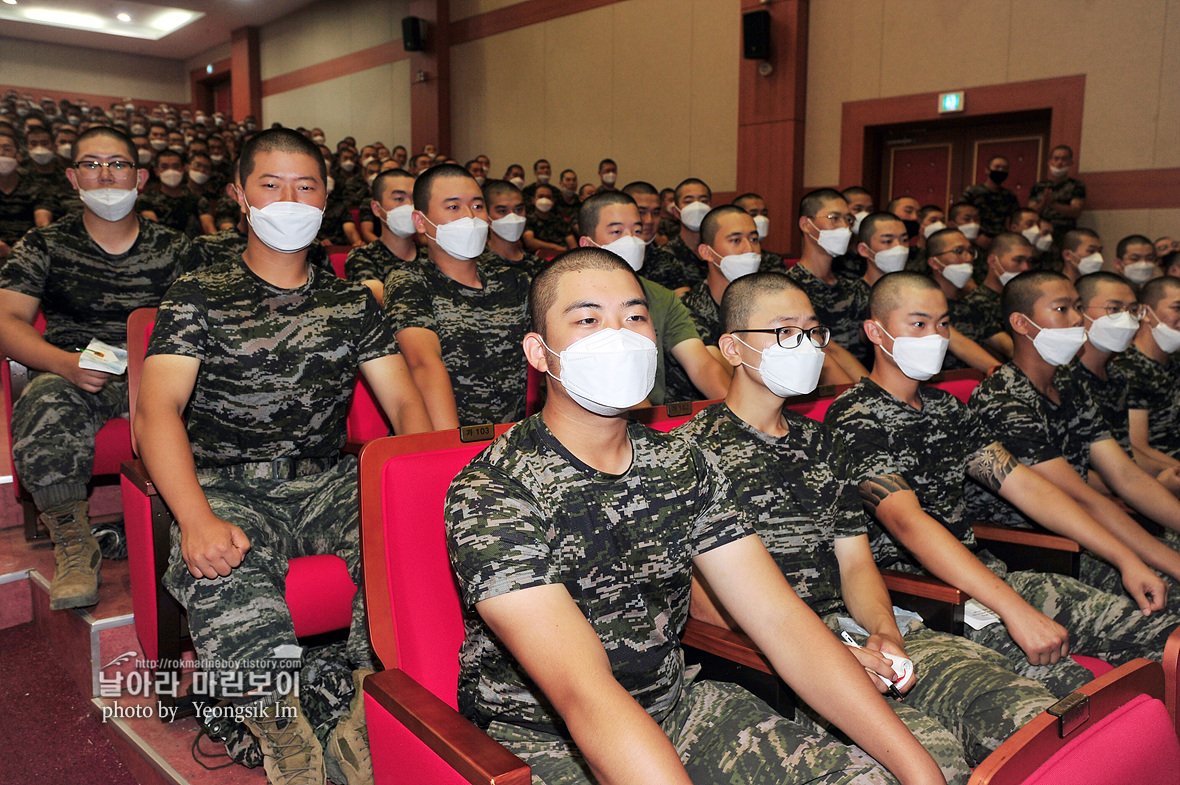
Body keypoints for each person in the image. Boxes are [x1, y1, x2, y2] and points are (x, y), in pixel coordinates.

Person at [446, 247, 947, 785]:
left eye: (635, 317)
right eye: (588, 319)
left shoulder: (682, 461)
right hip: (539, 738)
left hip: (677, 707)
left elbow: (779, 619)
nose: (619, 336)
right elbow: (582, 692)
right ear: (539, 353)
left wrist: (918, 772)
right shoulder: (493, 490)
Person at [682, 272, 1063, 778]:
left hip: (851, 628)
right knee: (938, 761)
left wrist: (883, 631)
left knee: (1028, 709)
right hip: (774, 655)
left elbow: (855, 561)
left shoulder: (825, 443)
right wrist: (831, 654)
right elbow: (700, 598)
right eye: (784, 332)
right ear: (732, 348)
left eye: (813, 332)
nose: (805, 345)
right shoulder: (687, 452)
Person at [138, 128, 431, 785]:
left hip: (328, 479)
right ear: (240, 195)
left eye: (306, 187)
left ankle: (366, 713)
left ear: (328, 200)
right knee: (223, 568)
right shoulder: (199, 291)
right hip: (227, 482)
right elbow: (154, 409)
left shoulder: (352, 300)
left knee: (424, 539)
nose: (289, 199)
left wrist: (410, 490)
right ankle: (281, 732)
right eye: (271, 185)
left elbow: (405, 406)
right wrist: (194, 517)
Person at [825, 271, 1177, 696]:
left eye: (943, 324)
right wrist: (1015, 611)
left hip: (984, 574)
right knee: (1072, 690)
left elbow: (1026, 486)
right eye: (918, 324)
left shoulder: (946, 408)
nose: (935, 336)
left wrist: (1125, 558)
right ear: (875, 331)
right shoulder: (854, 415)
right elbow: (907, 524)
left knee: (1160, 629)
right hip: (924, 596)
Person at [0, 126, 194, 610]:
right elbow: (6, 321)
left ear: (141, 176)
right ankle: (72, 539)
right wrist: (63, 365)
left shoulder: (176, 247)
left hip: (162, 375)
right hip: (81, 373)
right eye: (91, 164)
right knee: (43, 402)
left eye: (118, 164)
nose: (105, 174)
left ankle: (193, 523)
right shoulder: (43, 244)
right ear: (72, 176)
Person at [965, 270, 1180, 590]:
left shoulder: (1069, 385)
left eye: (1078, 307)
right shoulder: (1001, 398)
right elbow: (1078, 497)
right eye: (1062, 309)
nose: (1077, 319)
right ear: (1022, 323)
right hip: (1029, 551)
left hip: (1081, 533)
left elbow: (1125, 474)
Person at [384, 164, 529, 428]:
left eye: (476, 207)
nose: (469, 218)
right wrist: (452, 452)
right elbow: (424, 365)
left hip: (512, 448)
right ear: (420, 221)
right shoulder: (411, 281)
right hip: (452, 445)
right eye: (453, 207)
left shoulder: (513, 281)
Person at [579, 192, 729, 405]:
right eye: (616, 231)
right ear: (588, 244)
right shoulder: (569, 300)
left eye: (637, 231)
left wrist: (741, 412)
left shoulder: (661, 297)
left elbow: (701, 365)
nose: (631, 239)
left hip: (649, 419)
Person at [1068, 272, 1180, 495]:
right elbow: (1069, 474)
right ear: (1079, 312)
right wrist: (1155, 486)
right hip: (1093, 500)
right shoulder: (1064, 377)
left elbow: (1125, 451)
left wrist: (1173, 471)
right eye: (1114, 309)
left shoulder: (1115, 375)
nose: (1126, 319)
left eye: (1131, 310)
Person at [784, 189, 870, 379]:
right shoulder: (789, 288)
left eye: (848, 220)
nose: (845, 228)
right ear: (806, 224)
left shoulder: (853, 286)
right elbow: (827, 350)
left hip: (861, 382)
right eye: (834, 218)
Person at [1110, 275, 1180, 464]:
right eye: (1177, 308)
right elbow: (1138, 447)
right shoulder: (1128, 368)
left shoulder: (1175, 360)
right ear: (1146, 313)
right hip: (1160, 469)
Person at [344, 168, 424, 305]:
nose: (409, 206)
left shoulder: (432, 256)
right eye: (399, 199)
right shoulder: (363, 257)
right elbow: (380, 301)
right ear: (376, 208)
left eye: (414, 199)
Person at [952, 232, 1033, 360]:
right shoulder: (975, 303)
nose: (1025, 267)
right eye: (1018, 260)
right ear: (993, 261)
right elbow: (1006, 349)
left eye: (1029, 261)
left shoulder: (1027, 300)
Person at [642, 178, 713, 290]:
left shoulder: (718, 253)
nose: (697, 207)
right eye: (688, 202)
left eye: (703, 201)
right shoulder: (665, 256)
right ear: (676, 212)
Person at [0, 128, 51, 257]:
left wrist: (30, 243)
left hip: (28, 251)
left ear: (19, 156)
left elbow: (43, 223)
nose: (1, 153)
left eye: (7, 149)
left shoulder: (36, 185)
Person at [482, 178, 546, 279]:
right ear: (486, 216)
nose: (513, 217)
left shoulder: (540, 267)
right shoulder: (474, 265)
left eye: (519, 210)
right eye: (502, 211)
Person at [137, 149, 203, 237]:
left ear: (183, 169)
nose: (171, 170)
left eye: (176, 166)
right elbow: (154, 228)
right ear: (157, 171)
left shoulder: (197, 200)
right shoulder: (146, 199)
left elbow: (208, 226)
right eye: (164, 167)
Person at [961, 156, 1019, 252]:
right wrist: (976, 238)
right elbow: (960, 215)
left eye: (1004, 168)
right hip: (977, 241)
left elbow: (1016, 219)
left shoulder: (1009, 195)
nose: (1000, 170)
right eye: (997, 167)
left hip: (1000, 243)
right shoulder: (973, 191)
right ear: (987, 170)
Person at [1028, 145, 1086, 243]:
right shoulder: (1038, 186)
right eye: (1056, 159)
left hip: (1065, 235)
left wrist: (1054, 205)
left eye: (1064, 159)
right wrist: (1043, 204)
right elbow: (1030, 213)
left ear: (1070, 162)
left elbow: (1076, 212)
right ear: (1050, 162)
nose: (1059, 163)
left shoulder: (1076, 186)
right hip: (1040, 233)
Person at [732, 192, 786, 272]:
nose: (762, 219)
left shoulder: (773, 260)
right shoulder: (727, 260)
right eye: (753, 214)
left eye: (764, 214)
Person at [523, 183, 576, 256]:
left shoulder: (560, 221)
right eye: (540, 196)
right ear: (533, 200)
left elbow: (573, 246)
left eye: (548, 197)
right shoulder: (528, 220)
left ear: (553, 201)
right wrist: (555, 247)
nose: (544, 200)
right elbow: (530, 242)